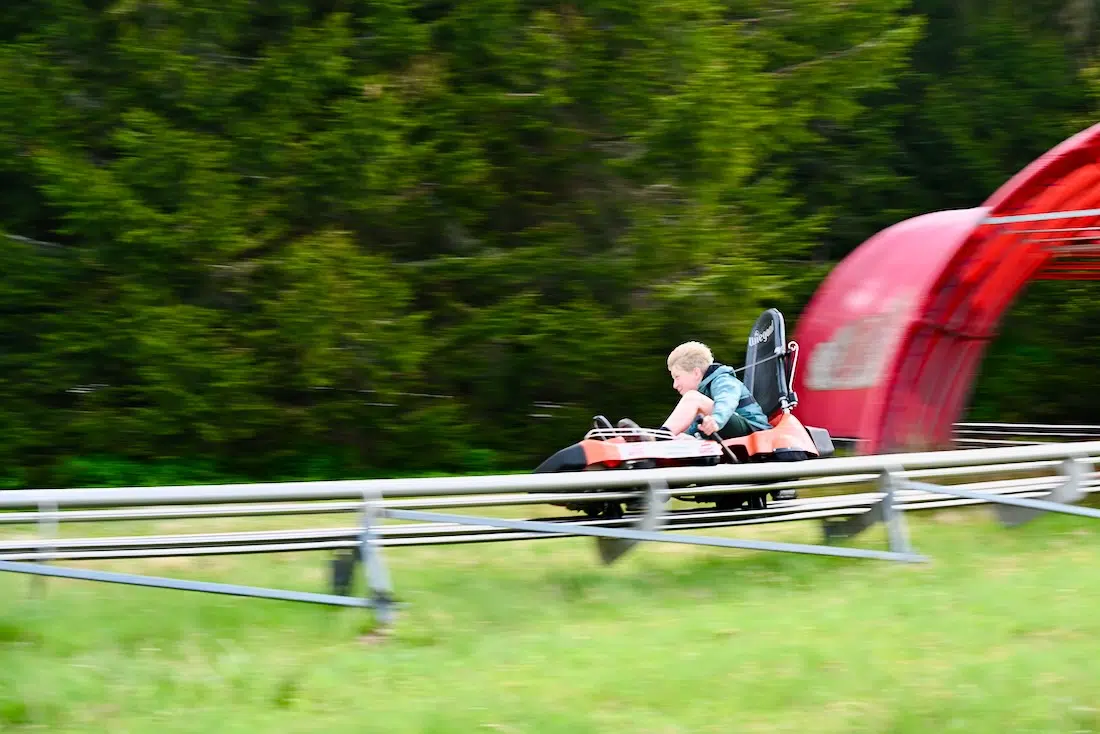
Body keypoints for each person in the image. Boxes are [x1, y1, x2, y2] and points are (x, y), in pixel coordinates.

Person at [655, 340, 771, 439]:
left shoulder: (723, 380)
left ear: (696, 373)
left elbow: (727, 402)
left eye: (677, 377)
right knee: (682, 434)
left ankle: (660, 439)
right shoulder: (702, 397)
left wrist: (716, 419)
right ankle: (665, 439)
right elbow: (695, 426)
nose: (675, 385)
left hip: (755, 429)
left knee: (692, 398)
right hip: (729, 427)